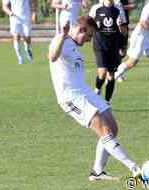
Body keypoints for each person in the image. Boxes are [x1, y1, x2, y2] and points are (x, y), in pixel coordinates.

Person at [48, 16, 140, 181]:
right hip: (71, 97)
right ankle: (135, 168)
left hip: (85, 92)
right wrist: (62, 35)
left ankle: (97, 171)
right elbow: (52, 57)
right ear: (81, 30)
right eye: (89, 36)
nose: (89, 40)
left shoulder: (75, 46)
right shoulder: (61, 40)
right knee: (105, 130)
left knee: (112, 126)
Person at [89, 0, 127, 102]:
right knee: (102, 73)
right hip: (100, 44)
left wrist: (123, 45)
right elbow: (89, 25)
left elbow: (124, 30)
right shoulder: (95, 8)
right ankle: (97, 91)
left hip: (114, 46)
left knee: (111, 75)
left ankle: (107, 102)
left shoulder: (119, 9)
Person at [2, 0, 33, 65]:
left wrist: (33, 12)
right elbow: (4, 6)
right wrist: (10, 12)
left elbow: (31, 3)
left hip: (26, 17)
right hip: (14, 18)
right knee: (16, 37)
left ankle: (27, 49)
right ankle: (20, 57)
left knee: (27, 37)